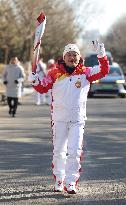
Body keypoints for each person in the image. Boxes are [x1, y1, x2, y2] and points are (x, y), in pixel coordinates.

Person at [28, 41, 110, 194]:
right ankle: (59, 180)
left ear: (79, 58)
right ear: (64, 57)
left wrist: (101, 55)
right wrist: (34, 81)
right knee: (59, 151)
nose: (72, 58)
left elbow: (104, 70)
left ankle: (71, 182)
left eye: (75, 55)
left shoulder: (86, 72)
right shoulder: (54, 73)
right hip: (59, 119)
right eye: (69, 55)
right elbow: (42, 87)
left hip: (78, 119)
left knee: (74, 151)